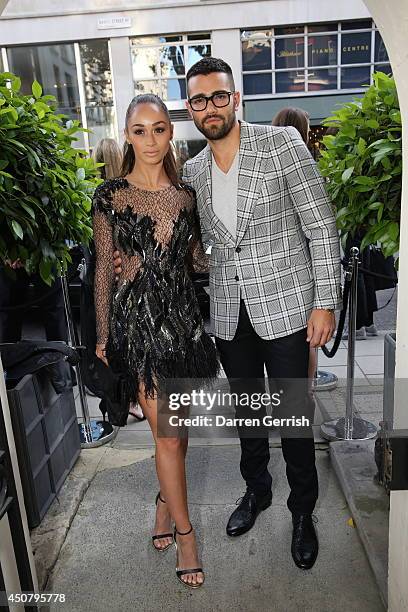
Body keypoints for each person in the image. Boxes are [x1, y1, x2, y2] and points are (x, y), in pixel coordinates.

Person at [114, 58, 342, 570]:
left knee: (294, 417)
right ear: (190, 110)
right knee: (247, 412)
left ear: (235, 98)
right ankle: (256, 490)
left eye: (219, 96)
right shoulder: (191, 171)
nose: (210, 107)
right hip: (229, 313)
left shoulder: (281, 145)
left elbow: (322, 228)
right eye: (198, 100)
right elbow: (196, 250)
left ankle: (302, 510)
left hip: (287, 309)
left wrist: (325, 301)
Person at [92, 93, 219, 588]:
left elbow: (194, 260)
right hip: (139, 326)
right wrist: (104, 332)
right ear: (127, 134)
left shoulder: (186, 196)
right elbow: (105, 265)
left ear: (171, 134)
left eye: (159, 129)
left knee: (179, 433)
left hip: (183, 324)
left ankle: (165, 505)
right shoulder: (110, 197)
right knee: (166, 435)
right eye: (140, 130)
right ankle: (187, 537)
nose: (150, 139)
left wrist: (234, 256)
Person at [271, 107, 318, 397]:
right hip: (300, 268)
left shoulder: (269, 163)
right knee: (305, 341)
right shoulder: (303, 164)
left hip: (283, 270)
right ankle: (304, 393)